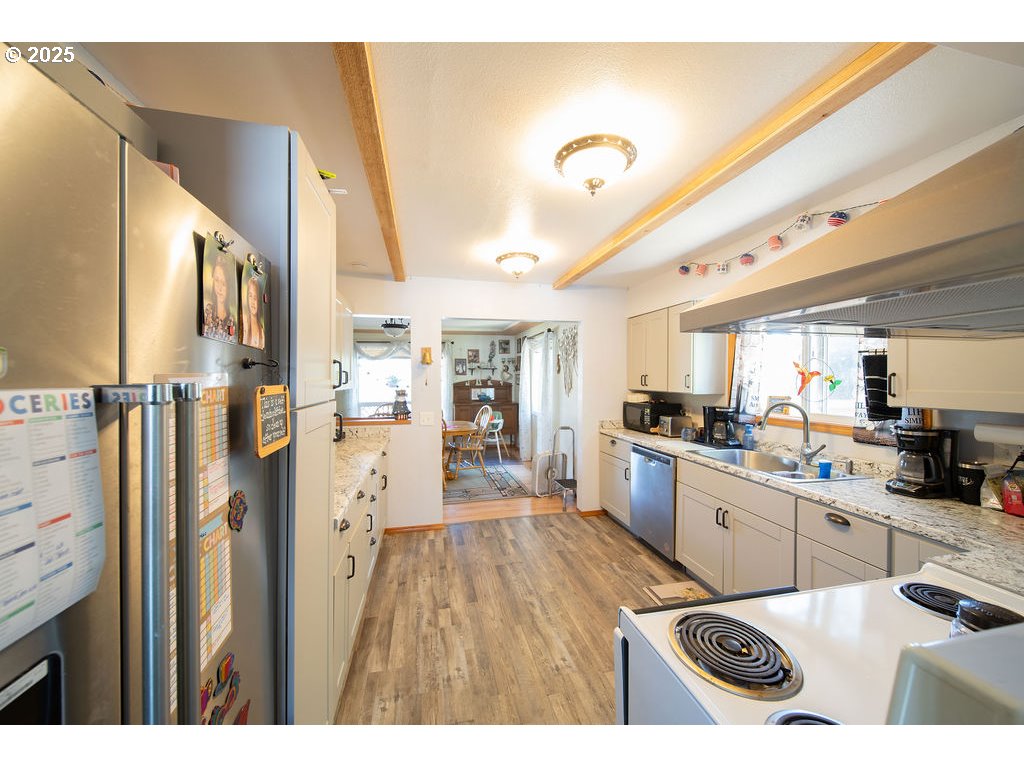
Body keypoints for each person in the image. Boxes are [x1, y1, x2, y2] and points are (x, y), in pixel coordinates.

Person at [204, 255, 236, 341]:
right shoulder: (208, 311)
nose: (219, 288)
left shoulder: (231, 320)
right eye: (217, 280)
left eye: (223, 283)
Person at [242, 275, 265, 348]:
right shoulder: (244, 322)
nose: (252, 302)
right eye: (250, 296)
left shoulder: (261, 331)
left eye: (255, 298)